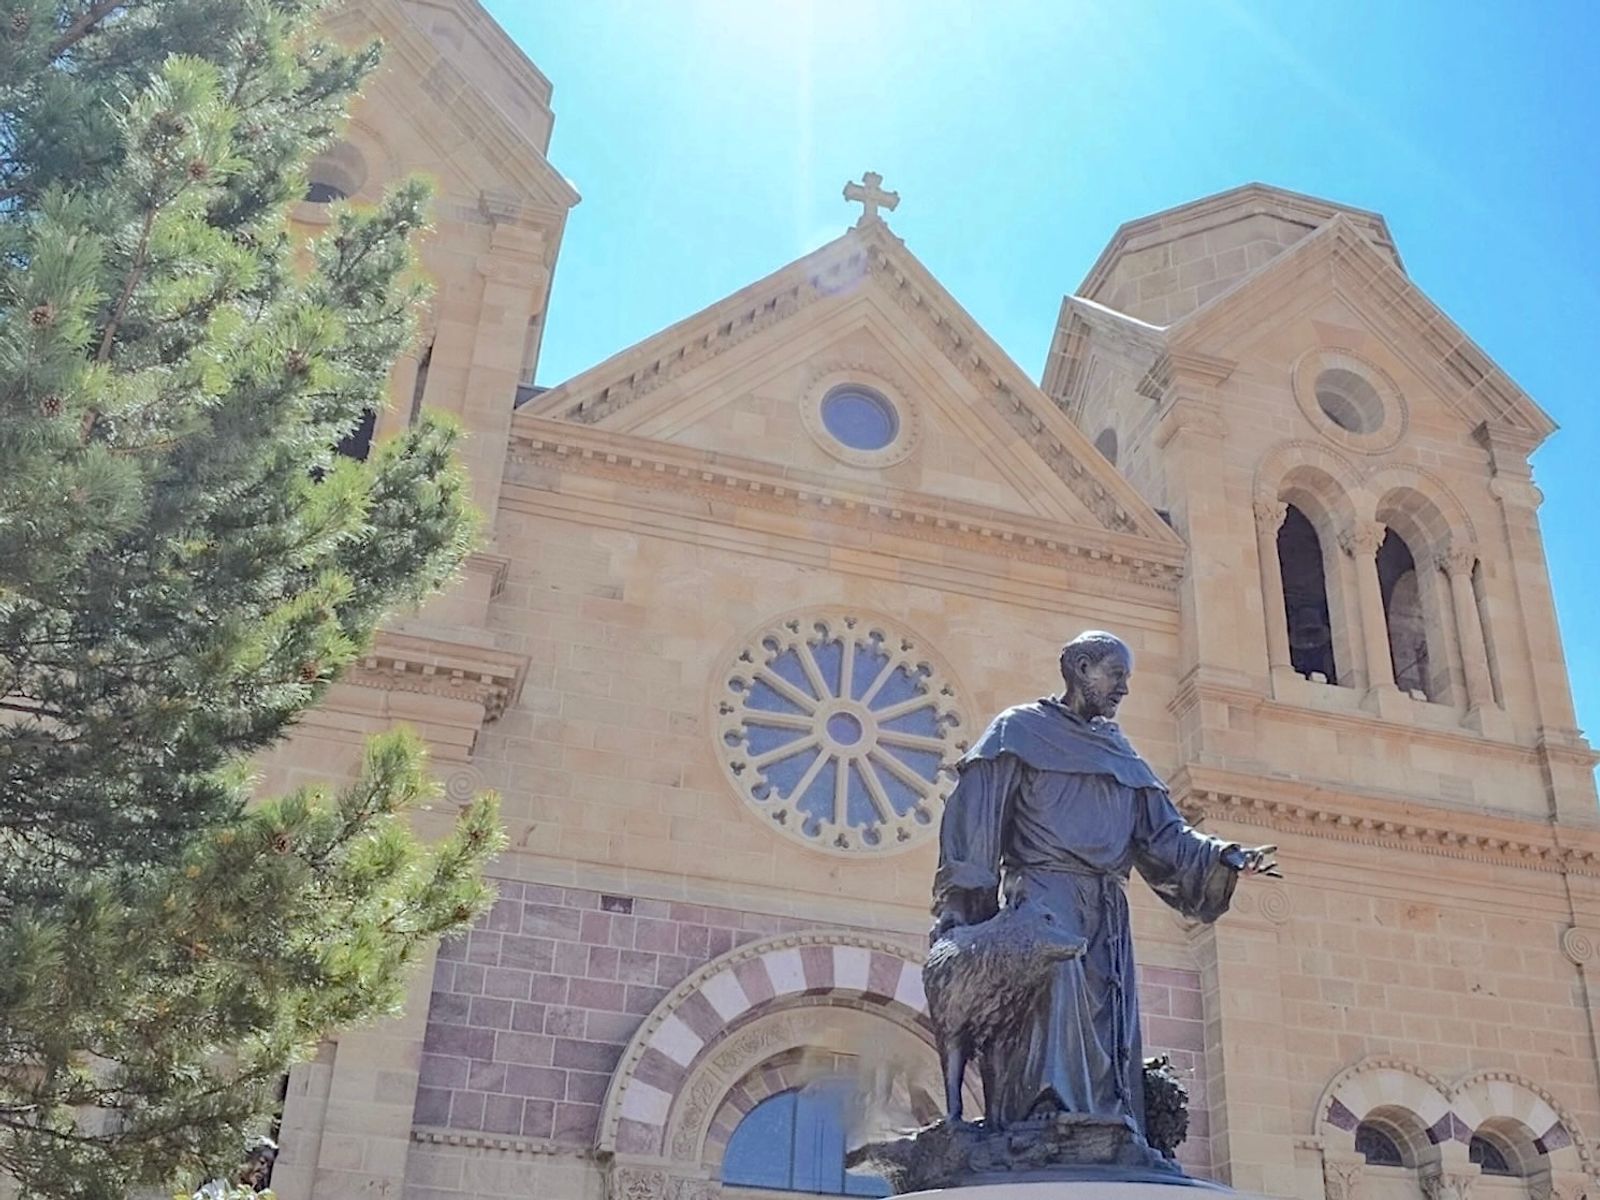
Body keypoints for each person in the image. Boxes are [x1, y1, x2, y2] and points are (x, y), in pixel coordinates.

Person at [932, 630, 1277, 1138]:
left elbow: (1163, 834)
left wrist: (1223, 855)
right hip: (1042, 901)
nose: (1124, 690)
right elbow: (975, 820)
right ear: (1079, 668)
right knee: (1052, 1005)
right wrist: (964, 913)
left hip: (1107, 914)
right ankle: (1044, 1125)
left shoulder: (1119, 750)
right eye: (1116, 675)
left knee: (1104, 1029)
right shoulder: (1018, 731)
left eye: (1128, 678)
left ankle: (1103, 1129)